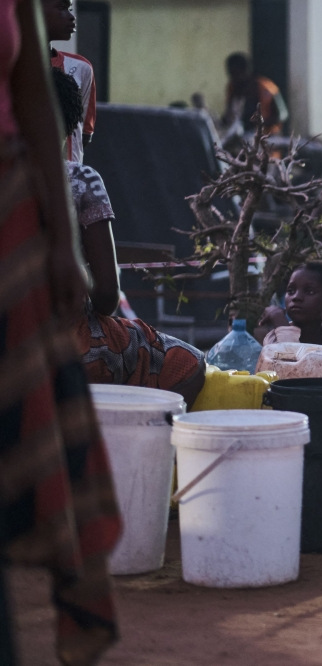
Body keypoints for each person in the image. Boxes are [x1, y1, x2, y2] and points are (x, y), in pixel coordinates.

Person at [1, 1, 122, 663]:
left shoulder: (74, 71)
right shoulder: (91, 180)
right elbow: (109, 295)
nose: (69, 8)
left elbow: (32, 104)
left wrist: (58, 244)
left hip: (9, 221)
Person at [51, 67, 207, 405]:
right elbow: (107, 294)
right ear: (72, 127)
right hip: (71, 344)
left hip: (14, 339)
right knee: (189, 362)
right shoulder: (81, 179)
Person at [43, 0, 95, 162]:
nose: (72, 17)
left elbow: (84, 135)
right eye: (62, 8)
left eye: (70, 9)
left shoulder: (81, 68)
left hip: (69, 179)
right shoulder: (11, 68)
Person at [223, 52, 288, 137]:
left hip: (267, 137)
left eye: (236, 73)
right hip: (243, 137)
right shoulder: (232, 88)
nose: (233, 77)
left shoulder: (266, 87)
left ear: (245, 70)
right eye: (231, 73)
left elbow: (282, 114)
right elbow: (230, 114)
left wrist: (259, 123)